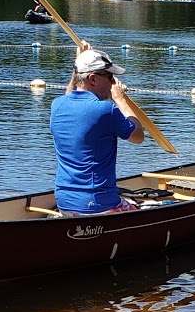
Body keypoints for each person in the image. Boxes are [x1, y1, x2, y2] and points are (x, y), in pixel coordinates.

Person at [50, 46, 144, 214]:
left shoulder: (57, 105)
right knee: (146, 206)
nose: (113, 82)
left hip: (64, 200)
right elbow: (138, 136)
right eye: (109, 77)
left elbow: (70, 94)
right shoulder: (106, 110)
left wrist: (77, 65)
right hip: (96, 202)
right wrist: (120, 99)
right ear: (92, 79)